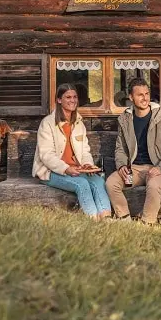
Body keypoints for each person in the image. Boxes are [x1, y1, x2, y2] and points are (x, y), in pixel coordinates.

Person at [105, 77, 161, 224]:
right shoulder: (125, 119)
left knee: (153, 185)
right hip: (134, 169)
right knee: (112, 183)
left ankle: (147, 224)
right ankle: (125, 221)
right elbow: (120, 148)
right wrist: (122, 165)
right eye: (140, 95)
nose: (145, 98)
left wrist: (160, 168)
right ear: (131, 97)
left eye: (146, 94)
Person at [33, 83, 111, 220]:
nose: (72, 100)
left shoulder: (79, 123)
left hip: (77, 170)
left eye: (75, 97)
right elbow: (46, 155)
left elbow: (85, 150)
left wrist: (87, 164)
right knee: (82, 184)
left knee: (99, 182)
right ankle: (92, 219)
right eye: (68, 97)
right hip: (51, 172)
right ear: (59, 100)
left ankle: (106, 219)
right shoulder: (47, 123)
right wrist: (66, 168)